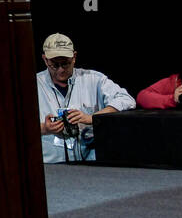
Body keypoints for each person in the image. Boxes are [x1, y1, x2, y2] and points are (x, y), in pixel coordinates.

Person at [36, 33, 135, 163]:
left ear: (74, 57)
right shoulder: (33, 84)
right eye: (54, 65)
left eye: (65, 63)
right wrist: (45, 128)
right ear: (45, 60)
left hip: (90, 163)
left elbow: (126, 99)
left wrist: (93, 118)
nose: (60, 70)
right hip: (50, 164)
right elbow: (12, 126)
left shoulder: (93, 79)